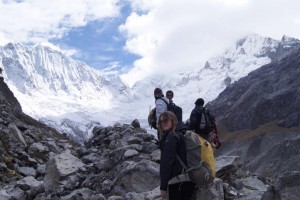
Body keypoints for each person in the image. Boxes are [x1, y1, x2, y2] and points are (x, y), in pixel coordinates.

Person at [158, 111, 195, 200]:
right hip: (187, 179)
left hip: (177, 181)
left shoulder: (171, 137)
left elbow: (167, 163)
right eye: (161, 122)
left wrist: (163, 187)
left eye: (166, 120)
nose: (163, 123)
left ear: (173, 120)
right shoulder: (180, 133)